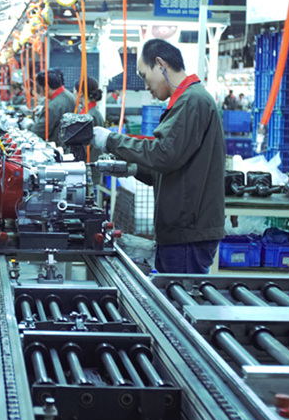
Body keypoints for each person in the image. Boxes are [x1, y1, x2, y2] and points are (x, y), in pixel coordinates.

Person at [91, 39, 225, 273]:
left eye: (144, 76)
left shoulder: (192, 101)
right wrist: (134, 169)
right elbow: (174, 164)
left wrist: (110, 140)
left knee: (179, 295)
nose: (145, 86)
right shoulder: (188, 100)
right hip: (183, 228)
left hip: (187, 231)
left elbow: (164, 154)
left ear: (161, 65)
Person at [25, 70, 75, 145]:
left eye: (39, 87)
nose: (40, 91)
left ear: (47, 87)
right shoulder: (69, 95)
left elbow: (39, 132)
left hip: (58, 146)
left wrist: (28, 124)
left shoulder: (52, 106)